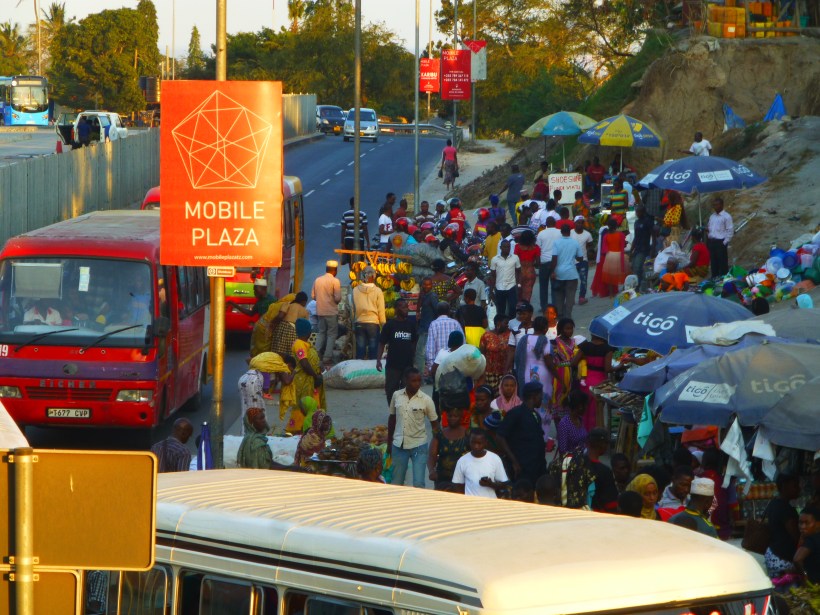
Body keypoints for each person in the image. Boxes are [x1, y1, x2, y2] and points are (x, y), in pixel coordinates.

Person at [388, 367, 439, 488]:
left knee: (419, 483)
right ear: (406, 381)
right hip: (399, 445)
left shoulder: (426, 400)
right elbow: (392, 419)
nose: (417, 384)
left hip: (419, 446)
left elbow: (435, 425)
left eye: (419, 381)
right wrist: (389, 442)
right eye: (413, 381)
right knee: (397, 482)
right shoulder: (396, 395)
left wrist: (436, 448)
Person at [550, 428, 618, 512]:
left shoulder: (572, 464)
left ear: (587, 444)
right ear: (604, 445)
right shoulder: (605, 472)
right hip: (595, 517)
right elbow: (611, 505)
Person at [495, 381, 547, 483]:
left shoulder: (536, 416)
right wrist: (514, 461)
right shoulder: (515, 413)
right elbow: (499, 436)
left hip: (537, 467)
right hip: (523, 469)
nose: (542, 398)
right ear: (534, 396)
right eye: (541, 395)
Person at [376, 298, 418, 404]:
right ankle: (393, 412)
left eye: (406, 307)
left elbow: (414, 342)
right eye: (403, 307)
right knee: (391, 390)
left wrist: (413, 358)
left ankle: (404, 412)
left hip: (407, 365)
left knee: (407, 390)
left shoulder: (411, 325)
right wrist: (378, 360)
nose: (406, 310)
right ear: (396, 309)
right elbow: (381, 343)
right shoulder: (389, 325)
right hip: (392, 365)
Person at [451, 429, 509, 498]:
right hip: (471, 505)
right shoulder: (462, 460)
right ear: (469, 442)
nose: (476, 446)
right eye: (473, 443)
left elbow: (504, 484)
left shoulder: (495, 459)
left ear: (485, 443)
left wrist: (491, 484)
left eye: (479, 443)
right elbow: (457, 485)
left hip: (490, 505)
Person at [764, 473, 801, 578]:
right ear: (785, 486)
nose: (799, 489)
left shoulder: (774, 503)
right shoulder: (785, 509)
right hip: (782, 558)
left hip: (773, 554)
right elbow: (796, 536)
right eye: (795, 485)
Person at [576, 334, 615, 430]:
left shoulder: (584, 346)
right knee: (597, 412)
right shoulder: (608, 348)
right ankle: (596, 435)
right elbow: (608, 368)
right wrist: (621, 366)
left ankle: (583, 433)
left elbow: (573, 362)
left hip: (585, 381)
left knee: (584, 410)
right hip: (600, 382)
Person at [512, 316, 553, 405]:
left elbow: (517, 358)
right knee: (542, 403)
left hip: (526, 375)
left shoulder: (524, 339)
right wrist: (558, 377)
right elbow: (549, 363)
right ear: (546, 328)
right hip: (543, 376)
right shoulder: (546, 341)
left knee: (528, 401)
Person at [427, 405, 470, 489]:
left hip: (462, 479)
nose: (452, 418)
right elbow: (432, 456)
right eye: (450, 416)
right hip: (442, 478)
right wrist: (431, 471)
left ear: (461, 417)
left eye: (455, 416)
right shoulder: (439, 434)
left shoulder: (468, 434)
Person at [548, 317, 581, 425]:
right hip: (560, 375)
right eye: (567, 328)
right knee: (559, 400)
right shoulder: (554, 343)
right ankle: (560, 430)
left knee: (570, 402)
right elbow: (552, 362)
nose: (570, 331)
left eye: (571, 328)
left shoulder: (574, 342)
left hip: (573, 375)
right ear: (561, 329)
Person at [701, 447, 738, 540]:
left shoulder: (697, 480)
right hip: (723, 531)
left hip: (703, 531)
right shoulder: (726, 482)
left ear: (703, 462)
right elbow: (733, 507)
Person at [311, 260, 342, 366]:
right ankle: (327, 357)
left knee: (321, 332)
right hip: (331, 312)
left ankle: (316, 354)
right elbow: (338, 299)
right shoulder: (335, 281)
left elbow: (313, 296)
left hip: (320, 311)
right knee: (332, 334)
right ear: (335, 270)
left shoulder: (318, 280)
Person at [550, 225, 584, 320]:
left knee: (559, 295)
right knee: (570, 296)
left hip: (559, 273)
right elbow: (580, 258)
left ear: (561, 232)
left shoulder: (556, 243)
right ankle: (568, 315)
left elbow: (554, 259)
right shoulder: (575, 243)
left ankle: (560, 314)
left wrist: (552, 271)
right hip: (571, 273)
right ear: (570, 232)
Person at [292, 318, 326, 409]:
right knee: (305, 408)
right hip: (303, 381)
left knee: (312, 407)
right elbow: (304, 363)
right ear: (308, 331)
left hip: (310, 381)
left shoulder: (305, 344)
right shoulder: (299, 344)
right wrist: (315, 376)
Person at [352, 267, 385, 359]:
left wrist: (353, 323)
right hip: (373, 323)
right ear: (374, 277)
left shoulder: (355, 290)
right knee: (373, 350)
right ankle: (372, 371)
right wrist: (383, 324)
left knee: (360, 349)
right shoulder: (378, 291)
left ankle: (358, 371)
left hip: (359, 322)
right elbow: (381, 310)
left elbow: (353, 308)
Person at [591, 218, 628, 298]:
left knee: (610, 276)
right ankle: (623, 291)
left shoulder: (606, 236)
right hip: (619, 255)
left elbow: (604, 249)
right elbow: (622, 247)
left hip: (609, 256)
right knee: (620, 274)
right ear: (616, 226)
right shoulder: (621, 235)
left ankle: (611, 294)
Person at [425, 301, 462, 375]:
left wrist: (431, 367)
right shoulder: (455, 323)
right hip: (455, 364)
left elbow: (430, 348)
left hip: (439, 366)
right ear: (449, 311)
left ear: (437, 311)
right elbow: (462, 342)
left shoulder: (434, 324)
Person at [478, 316, 510, 396]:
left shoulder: (510, 335)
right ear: (498, 323)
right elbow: (481, 355)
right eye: (505, 323)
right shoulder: (486, 336)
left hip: (504, 372)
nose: (507, 325)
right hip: (489, 373)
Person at [489, 240, 521, 319]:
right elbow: (493, 275)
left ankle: (511, 324)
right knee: (500, 310)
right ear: (500, 248)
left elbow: (519, 272)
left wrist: (519, 285)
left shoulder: (515, 258)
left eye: (508, 247)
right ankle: (502, 325)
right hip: (499, 287)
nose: (507, 248)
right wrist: (491, 290)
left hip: (511, 286)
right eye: (505, 247)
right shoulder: (495, 259)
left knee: (513, 307)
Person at [536, 217, 561, 311]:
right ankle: (555, 306)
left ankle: (544, 306)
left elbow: (538, 248)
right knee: (555, 286)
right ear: (555, 223)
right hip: (556, 262)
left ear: (546, 224)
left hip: (544, 262)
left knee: (543, 286)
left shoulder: (541, 234)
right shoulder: (559, 232)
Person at [556, 389, 589, 456]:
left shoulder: (580, 420)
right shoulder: (564, 424)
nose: (586, 407)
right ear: (580, 406)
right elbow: (563, 451)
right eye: (585, 405)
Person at [707, 198, 733, 278]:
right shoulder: (712, 216)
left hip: (720, 242)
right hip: (712, 242)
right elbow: (710, 228)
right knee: (714, 263)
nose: (715, 207)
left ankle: (723, 280)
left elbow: (730, 230)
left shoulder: (726, 217)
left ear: (721, 205)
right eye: (714, 205)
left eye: (717, 205)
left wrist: (725, 242)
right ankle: (714, 279)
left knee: (722, 263)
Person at [794, 507, 820, 584]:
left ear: (818, 523)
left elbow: (797, 559)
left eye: (807, 523)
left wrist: (804, 577)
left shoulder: (811, 540)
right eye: (800, 523)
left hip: (814, 585)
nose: (802, 527)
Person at [340, 198, 370, 263]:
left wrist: (342, 242)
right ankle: (358, 271)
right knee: (360, 259)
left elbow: (343, 229)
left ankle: (351, 271)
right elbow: (365, 229)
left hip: (348, 240)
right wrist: (368, 242)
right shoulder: (362, 214)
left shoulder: (345, 214)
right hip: (359, 239)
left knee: (350, 258)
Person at [571, 216, 593, 305]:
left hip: (583, 260)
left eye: (581, 222)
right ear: (574, 223)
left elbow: (590, 246)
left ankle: (581, 297)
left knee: (583, 280)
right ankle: (571, 298)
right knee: (572, 281)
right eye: (578, 222)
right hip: (571, 261)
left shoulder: (587, 234)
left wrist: (590, 256)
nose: (580, 224)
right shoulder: (570, 233)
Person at [514, 230, 540, 303]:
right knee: (527, 292)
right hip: (530, 273)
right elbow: (538, 263)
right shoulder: (536, 248)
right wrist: (532, 264)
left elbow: (515, 260)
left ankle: (518, 307)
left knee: (519, 290)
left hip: (519, 273)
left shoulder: (517, 247)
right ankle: (525, 308)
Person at [630, 205, 653, 290]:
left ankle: (638, 287)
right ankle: (637, 286)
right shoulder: (636, 222)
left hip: (644, 248)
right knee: (634, 267)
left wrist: (652, 249)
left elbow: (653, 235)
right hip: (637, 248)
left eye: (638, 211)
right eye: (636, 211)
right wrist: (631, 250)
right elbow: (635, 237)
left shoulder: (647, 221)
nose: (637, 213)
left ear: (643, 212)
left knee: (638, 267)